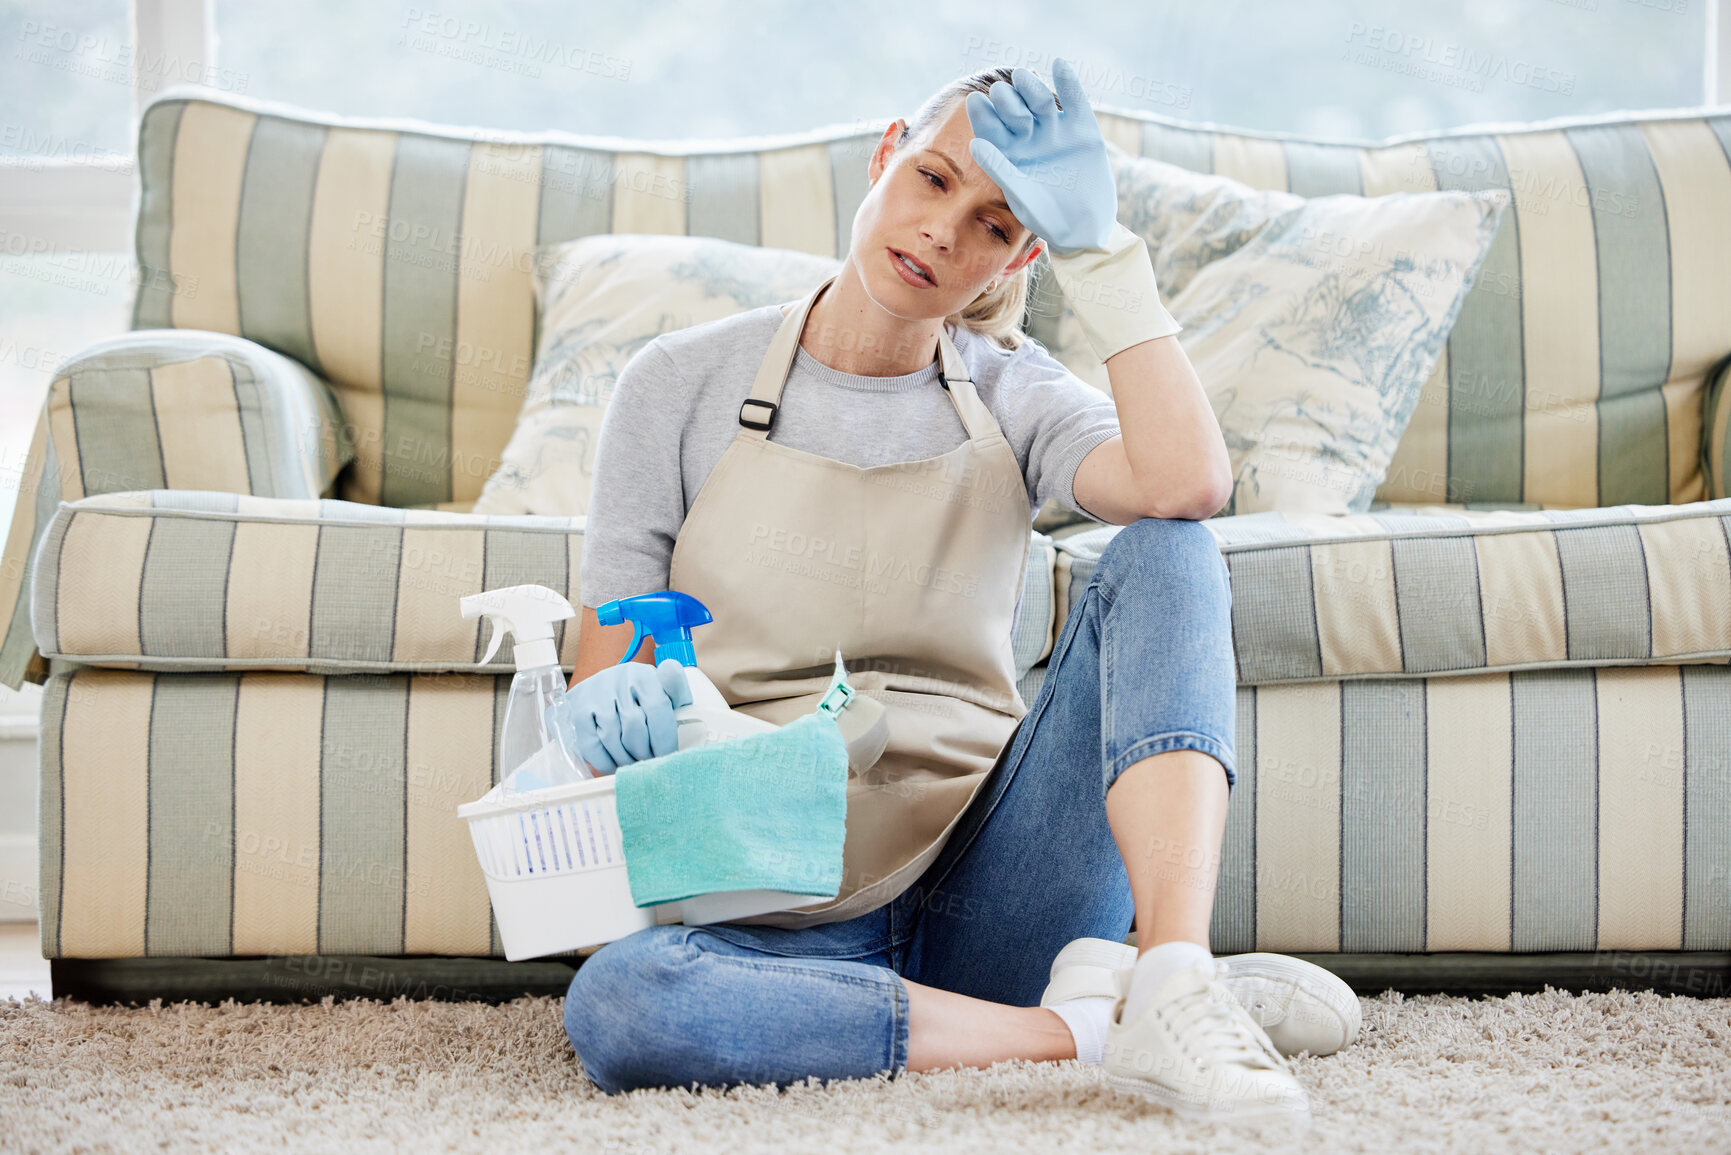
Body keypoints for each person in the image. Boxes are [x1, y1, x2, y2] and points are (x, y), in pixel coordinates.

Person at [554, 58, 1356, 1123]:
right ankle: (1095, 1025)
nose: (942, 230)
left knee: (1172, 548)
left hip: (997, 886)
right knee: (623, 1002)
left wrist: (1103, 255)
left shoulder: (1012, 391)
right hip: (761, 903)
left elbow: (1187, 484)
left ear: (1020, 253)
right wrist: (606, 707)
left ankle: (1168, 967)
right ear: (886, 153)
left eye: (993, 223)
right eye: (933, 180)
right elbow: (605, 659)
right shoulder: (678, 383)